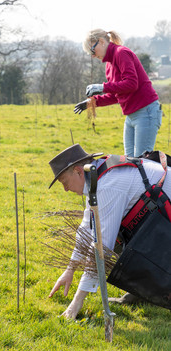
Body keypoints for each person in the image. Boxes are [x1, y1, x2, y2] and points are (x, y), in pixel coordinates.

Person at [48, 144, 171, 319]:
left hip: (165, 219)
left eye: (64, 182)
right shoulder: (98, 176)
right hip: (160, 215)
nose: (66, 189)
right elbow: (87, 228)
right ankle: (142, 293)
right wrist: (70, 269)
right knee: (121, 238)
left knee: (117, 240)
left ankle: (151, 289)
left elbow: (101, 246)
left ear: (77, 171)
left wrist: (76, 302)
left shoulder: (108, 186)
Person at [74, 29, 162, 158]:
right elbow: (116, 94)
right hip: (131, 116)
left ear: (102, 42)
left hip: (146, 112)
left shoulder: (121, 53)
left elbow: (132, 84)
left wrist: (102, 87)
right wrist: (92, 102)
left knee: (141, 164)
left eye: (92, 50)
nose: (92, 55)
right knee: (129, 162)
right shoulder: (109, 64)